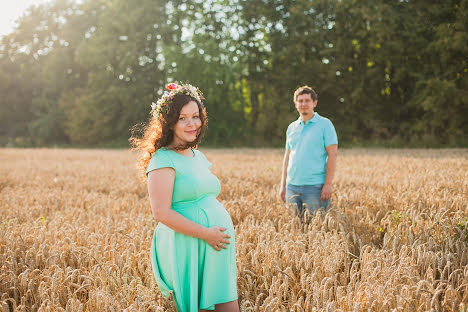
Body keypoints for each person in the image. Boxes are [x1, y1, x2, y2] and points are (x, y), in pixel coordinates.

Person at [131, 83, 239, 312]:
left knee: (226, 304)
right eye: (183, 118)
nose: (193, 124)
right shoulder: (162, 160)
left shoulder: (196, 155)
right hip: (188, 244)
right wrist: (206, 233)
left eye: (196, 116)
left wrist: (213, 234)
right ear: (169, 122)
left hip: (215, 244)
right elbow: (161, 212)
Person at [278, 86, 338, 215]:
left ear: (314, 103)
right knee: (295, 230)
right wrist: (283, 186)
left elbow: (332, 155)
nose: (303, 104)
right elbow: (287, 158)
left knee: (317, 229)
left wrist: (328, 184)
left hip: (315, 187)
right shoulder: (291, 127)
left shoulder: (325, 125)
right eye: (300, 101)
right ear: (296, 104)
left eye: (307, 100)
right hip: (292, 186)